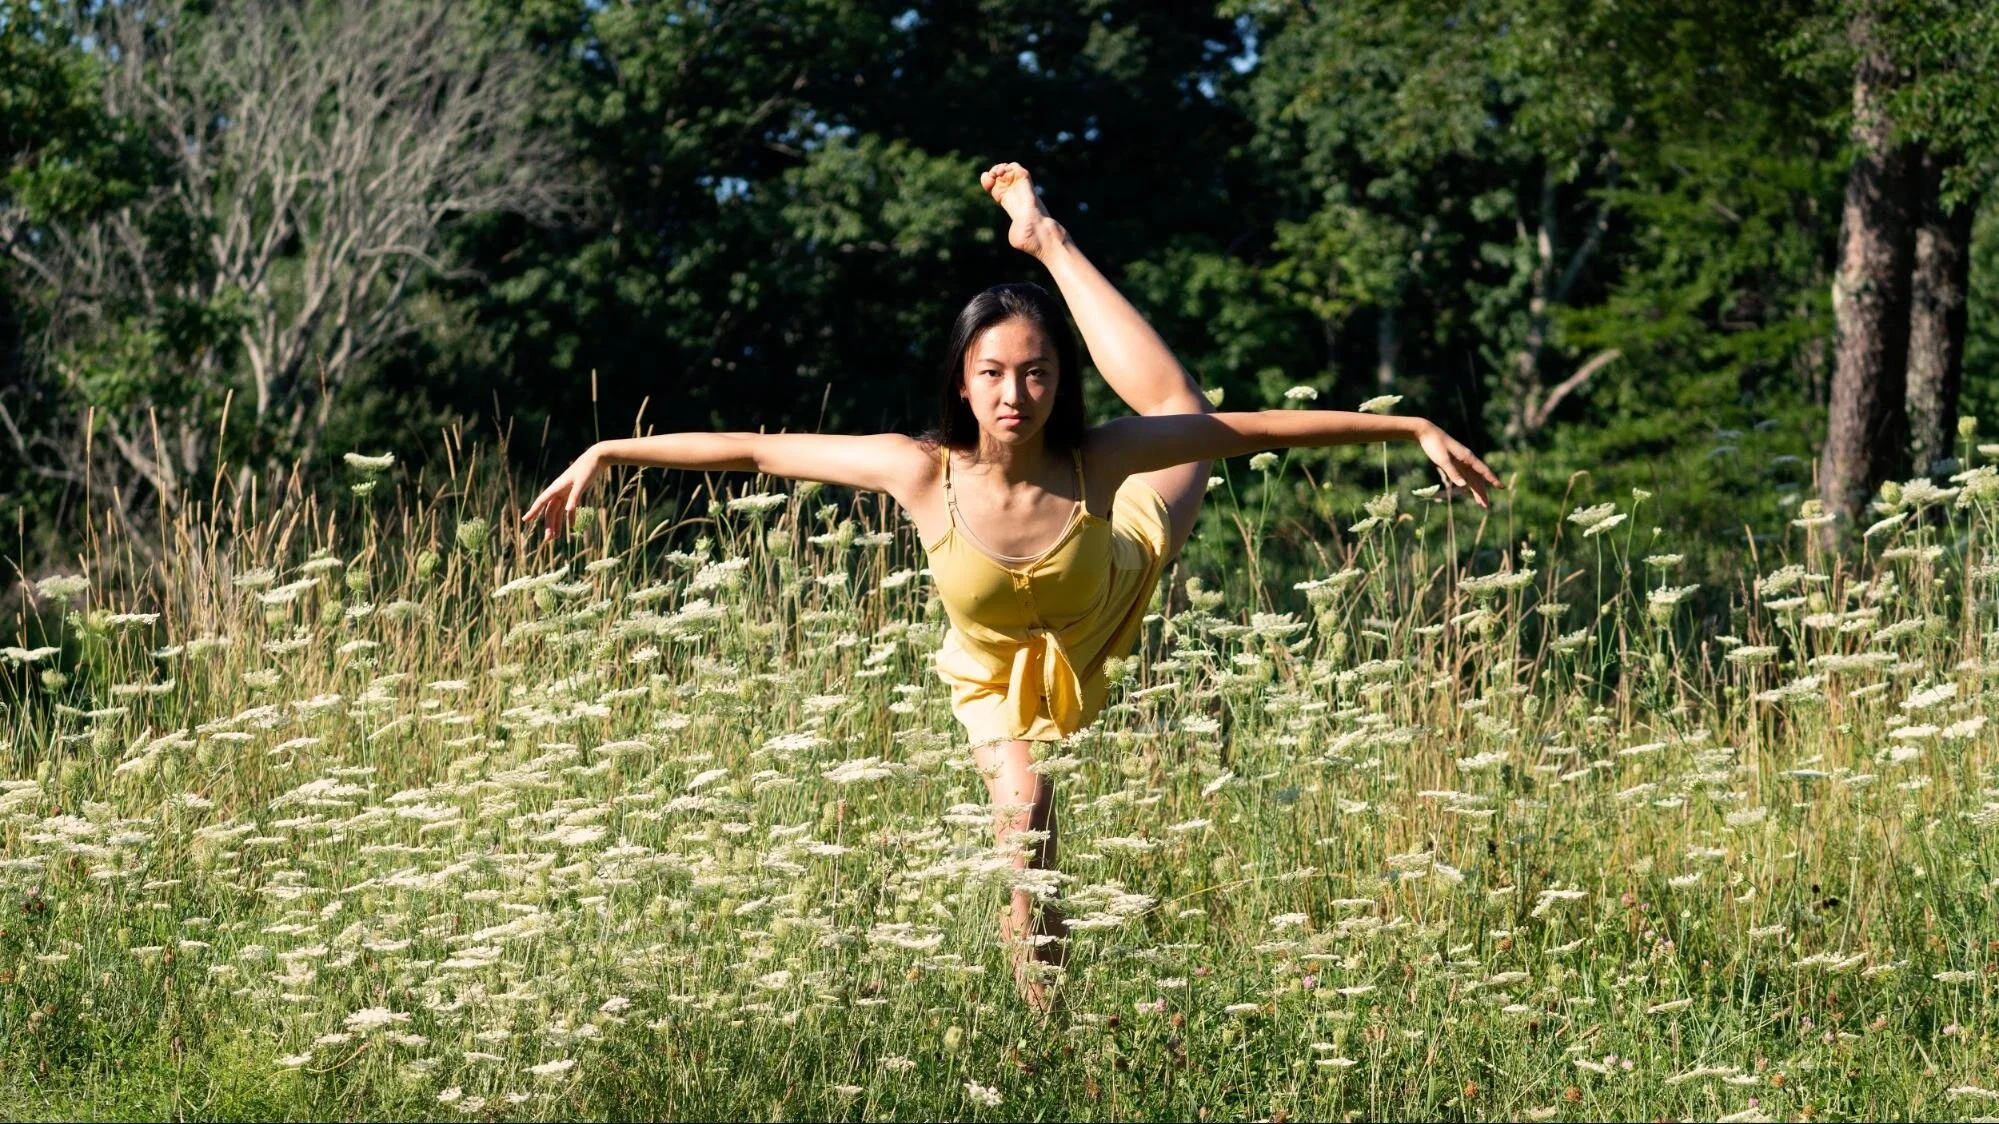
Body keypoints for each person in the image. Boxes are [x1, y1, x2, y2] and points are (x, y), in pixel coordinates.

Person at [523, 162, 1503, 1013]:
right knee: (1025, 815)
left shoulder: (1097, 457)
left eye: (1036, 373)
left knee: (1179, 409)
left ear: (1054, 382)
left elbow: (1253, 430)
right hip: (995, 671)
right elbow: (753, 450)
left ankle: (1046, 239)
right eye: (992, 371)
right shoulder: (915, 469)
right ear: (960, 379)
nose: (1013, 393)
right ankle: (1045, 1012)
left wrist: (1409, 427)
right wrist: (607, 448)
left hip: (1113, 581)